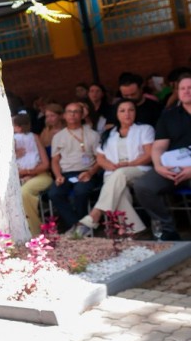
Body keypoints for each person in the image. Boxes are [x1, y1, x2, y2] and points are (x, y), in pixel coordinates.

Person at [72, 99, 153, 237]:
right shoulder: (109, 133)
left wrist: (129, 164)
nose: (127, 114)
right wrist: (110, 166)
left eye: (131, 110)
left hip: (138, 169)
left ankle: (95, 214)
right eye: (122, 110)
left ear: (135, 112)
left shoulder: (145, 129)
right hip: (114, 172)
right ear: (116, 114)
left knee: (118, 175)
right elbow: (100, 157)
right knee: (120, 193)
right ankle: (136, 230)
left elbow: (149, 154)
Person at [132, 74, 191, 240]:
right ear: (177, 92)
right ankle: (168, 229)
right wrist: (158, 166)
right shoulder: (168, 116)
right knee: (143, 186)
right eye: (182, 88)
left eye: (190, 88)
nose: (186, 91)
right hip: (174, 167)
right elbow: (158, 146)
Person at [48, 102, 102, 231]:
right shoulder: (58, 136)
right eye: (69, 111)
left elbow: (100, 159)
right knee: (54, 193)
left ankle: (80, 226)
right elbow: (55, 160)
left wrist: (90, 173)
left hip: (87, 171)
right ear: (64, 116)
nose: (72, 114)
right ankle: (78, 224)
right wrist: (58, 176)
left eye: (76, 111)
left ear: (82, 115)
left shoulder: (92, 134)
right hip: (66, 173)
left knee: (81, 191)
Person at [14, 114, 52, 235]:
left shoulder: (35, 137)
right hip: (17, 177)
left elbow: (45, 164)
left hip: (40, 174)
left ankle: (35, 232)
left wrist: (28, 172)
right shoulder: (10, 141)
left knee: (23, 192)